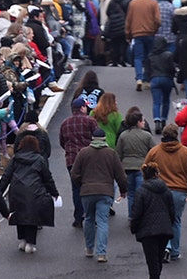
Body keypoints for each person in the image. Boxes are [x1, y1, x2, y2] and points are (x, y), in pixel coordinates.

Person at [70, 127, 128, 262]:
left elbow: (74, 174)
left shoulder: (83, 153)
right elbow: (121, 176)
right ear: (104, 140)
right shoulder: (111, 154)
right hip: (105, 192)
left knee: (89, 219)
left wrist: (82, 184)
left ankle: (89, 249)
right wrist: (123, 190)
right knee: (102, 221)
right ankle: (101, 253)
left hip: (87, 192)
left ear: (92, 139)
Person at [143, 123, 187, 262]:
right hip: (179, 191)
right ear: (176, 135)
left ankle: (164, 247)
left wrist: (148, 184)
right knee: (176, 220)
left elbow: (146, 168)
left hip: (159, 190)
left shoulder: (155, 152)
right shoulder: (186, 152)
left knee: (161, 220)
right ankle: (174, 250)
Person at [0, 135, 59, 253]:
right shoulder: (39, 159)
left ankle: (22, 240)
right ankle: (30, 243)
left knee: (19, 214)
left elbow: (6, 176)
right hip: (35, 190)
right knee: (32, 216)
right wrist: (54, 193)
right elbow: (47, 178)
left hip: (16, 190)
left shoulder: (15, 159)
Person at [130, 162, 176, 279]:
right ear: (157, 174)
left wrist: (134, 228)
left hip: (148, 231)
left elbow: (137, 212)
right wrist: (169, 224)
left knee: (152, 260)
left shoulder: (142, 191)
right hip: (164, 229)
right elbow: (172, 211)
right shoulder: (165, 190)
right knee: (158, 259)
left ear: (144, 175)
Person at [59, 95, 97, 228]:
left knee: (76, 189)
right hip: (89, 159)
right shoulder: (91, 121)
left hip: (72, 160)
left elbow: (62, 142)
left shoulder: (65, 123)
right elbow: (97, 139)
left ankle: (78, 217)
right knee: (91, 187)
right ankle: (90, 216)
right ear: (82, 107)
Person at [116, 108, 155, 215]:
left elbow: (118, 153)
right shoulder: (146, 136)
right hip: (142, 168)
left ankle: (132, 216)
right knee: (141, 194)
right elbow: (154, 151)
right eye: (143, 121)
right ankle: (141, 216)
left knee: (131, 194)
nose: (144, 123)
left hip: (127, 168)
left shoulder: (123, 135)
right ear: (138, 122)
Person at [125, 0, 160, 90]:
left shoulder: (133, 3)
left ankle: (139, 77)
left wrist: (128, 34)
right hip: (150, 33)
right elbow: (158, 20)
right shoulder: (154, 3)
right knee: (149, 56)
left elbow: (128, 20)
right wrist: (154, 29)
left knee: (138, 57)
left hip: (137, 34)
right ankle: (147, 78)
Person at [147, 37, 176, 126]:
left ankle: (157, 120)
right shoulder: (168, 55)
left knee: (156, 102)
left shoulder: (151, 56)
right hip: (166, 78)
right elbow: (172, 68)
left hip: (155, 78)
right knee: (166, 100)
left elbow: (148, 70)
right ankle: (164, 119)